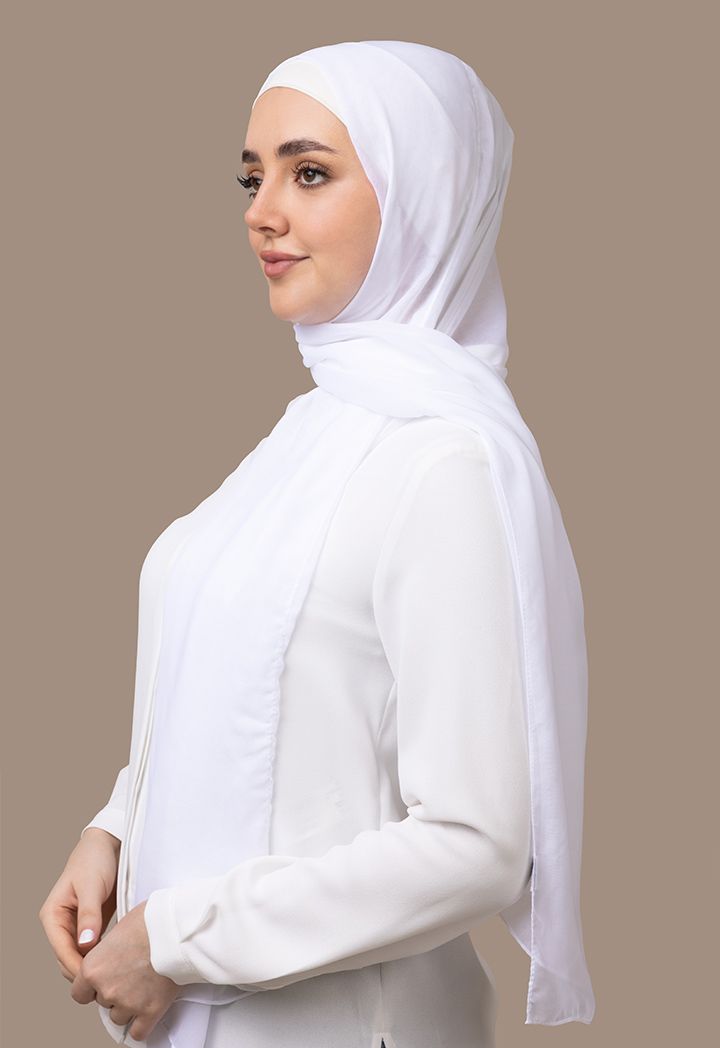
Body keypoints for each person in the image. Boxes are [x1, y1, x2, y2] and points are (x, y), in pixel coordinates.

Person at [39, 40, 595, 1048]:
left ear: (425, 193)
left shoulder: (445, 462)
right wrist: (116, 827)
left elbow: (476, 843)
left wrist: (176, 939)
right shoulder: (306, 435)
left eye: (309, 173)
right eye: (251, 178)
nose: (262, 211)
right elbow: (241, 677)